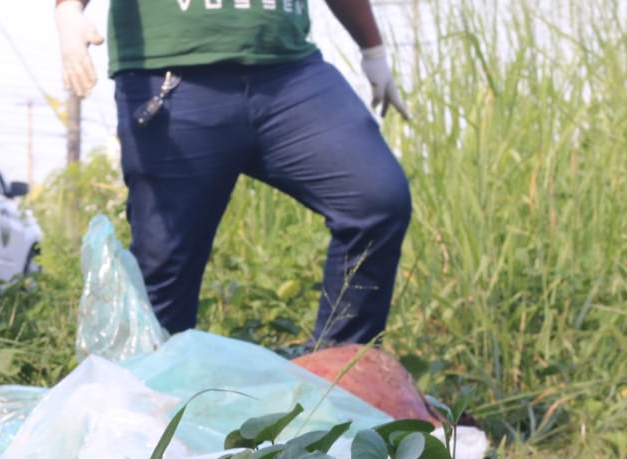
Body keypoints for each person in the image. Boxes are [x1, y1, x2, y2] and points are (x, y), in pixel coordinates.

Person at [53, 0, 412, 349]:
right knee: (163, 272)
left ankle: (341, 365)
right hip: (174, 76)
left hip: (290, 73)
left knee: (376, 198)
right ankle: (154, 383)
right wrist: (68, 10)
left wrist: (373, 50)